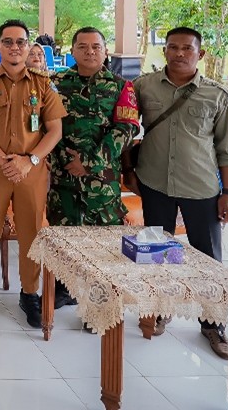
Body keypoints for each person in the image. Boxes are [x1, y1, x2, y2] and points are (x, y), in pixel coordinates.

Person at [129, 26, 228, 358]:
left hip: (200, 186)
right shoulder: (143, 87)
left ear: (200, 54)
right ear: (164, 51)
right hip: (154, 182)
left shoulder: (217, 95)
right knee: (158, 251)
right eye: (173, 47)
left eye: (187, 48)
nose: (179, 53)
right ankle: (160, 310)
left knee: (207, 258)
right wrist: (127, 171)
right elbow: (124, 130)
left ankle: (212, 322)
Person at [0, 20, 66, 329]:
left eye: (20, 42)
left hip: (31, 171)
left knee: (31, 233)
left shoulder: (43, 83)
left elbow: (55, 130)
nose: (14, 47)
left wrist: (29, 160)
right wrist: (4, 160)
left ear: (28, 46)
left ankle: (29, 293)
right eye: (8, 42)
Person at [49, 27, 139, 310]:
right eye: (83, 47)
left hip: (102, 180)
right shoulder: (54, 83)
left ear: (105, 51)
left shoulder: (121, 86)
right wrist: (66, 159)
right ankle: (62, 290)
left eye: (96, 47)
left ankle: (100, 299)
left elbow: (125, 131)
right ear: (72, 51)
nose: (90, 52)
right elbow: (44, 126)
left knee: (102, 243)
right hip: (62, 177)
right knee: (63, 237)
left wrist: (87, 163)